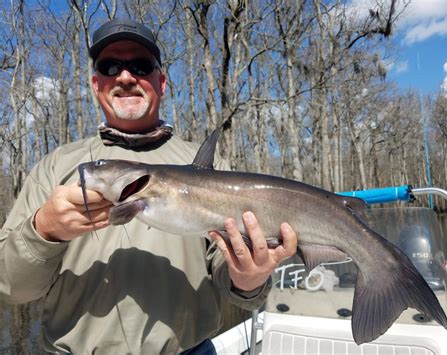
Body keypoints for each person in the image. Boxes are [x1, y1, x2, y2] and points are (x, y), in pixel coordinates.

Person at [0, 18, 297, 353]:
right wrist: (44, 231)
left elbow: (232, 279)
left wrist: (248, 279)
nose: (126, 77)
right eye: (110, 66)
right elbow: (10, 288)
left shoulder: (209, 170)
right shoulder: (57, 166)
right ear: (97, 84)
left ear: (163, 82)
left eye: (140, 66)